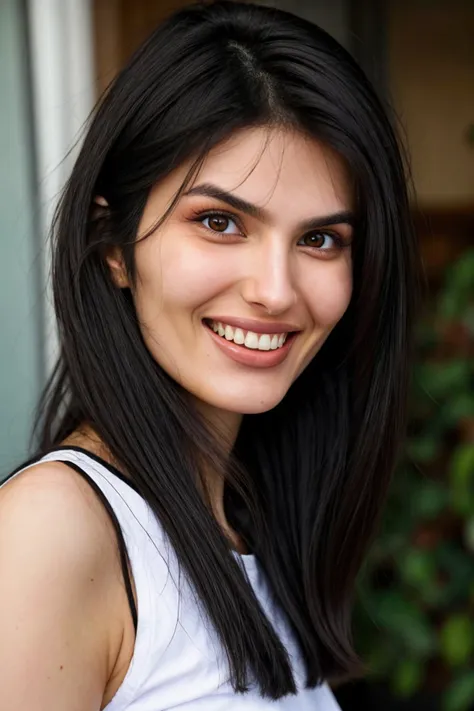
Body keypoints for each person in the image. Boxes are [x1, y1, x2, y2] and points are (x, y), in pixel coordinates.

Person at [0, 1, 420, 709]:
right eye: (220, 222)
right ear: (113, 246)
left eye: (321, 239)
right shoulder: (53, 534)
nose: (275, 291)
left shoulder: (249, 525)